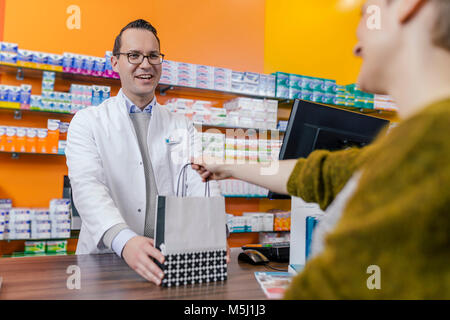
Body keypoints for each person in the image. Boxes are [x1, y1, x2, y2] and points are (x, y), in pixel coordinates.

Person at [193, 0, 450, 298]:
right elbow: (318, 174)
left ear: (407, 5)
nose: (355, 46)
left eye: (365, 12)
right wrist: (228, 167)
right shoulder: (412, 144)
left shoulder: (426, 148)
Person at [66, 19, 221, 285]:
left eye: (153, 56)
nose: (146, 64)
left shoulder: (182, 125)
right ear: (115, 63)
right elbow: (87, 188)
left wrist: (213, 236)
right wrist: (125, 241)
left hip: (168, 260)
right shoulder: (87, 121)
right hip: (105, 261)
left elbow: (202, 183)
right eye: (134, 55)